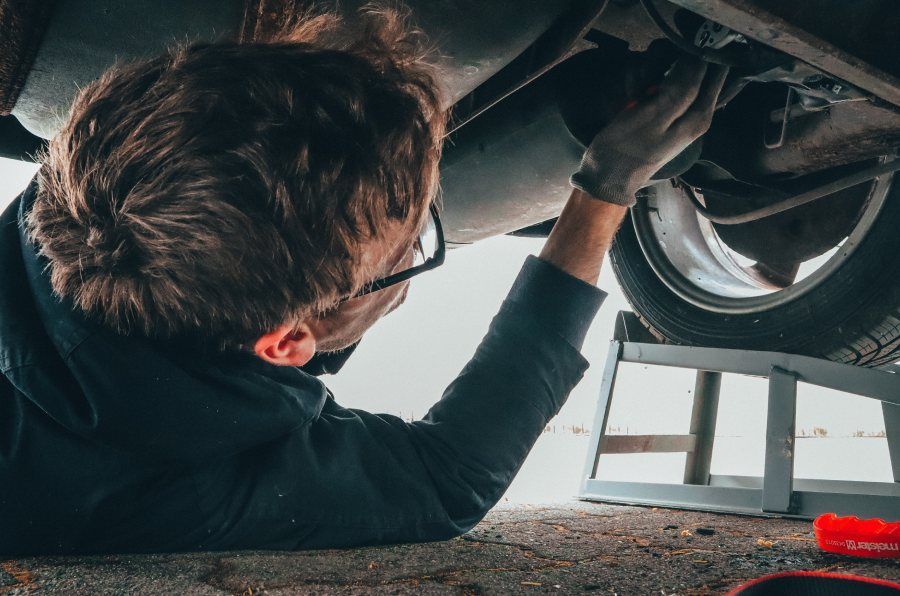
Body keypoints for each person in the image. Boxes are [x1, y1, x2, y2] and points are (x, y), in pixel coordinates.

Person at [0, 9, 726, 555]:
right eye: (411, 248)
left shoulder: (97, 180)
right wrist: (604, 189)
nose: (414, 250)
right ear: (287, 341)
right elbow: (450, 478)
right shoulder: (183, 488)